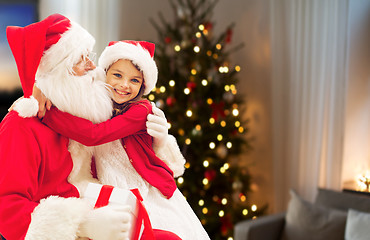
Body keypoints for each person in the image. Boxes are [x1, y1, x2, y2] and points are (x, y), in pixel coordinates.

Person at [0, 14, 176, 240]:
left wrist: (161, 143)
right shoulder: (22, 124)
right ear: (59, 69)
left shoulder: (81, 114)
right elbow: (6, 207)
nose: (93, 66)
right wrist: (82, 226)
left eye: (89, 56)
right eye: (82, 59)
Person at [41, 40, 211, 240]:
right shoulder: (98, 103)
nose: (124, 85)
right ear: (105, 73)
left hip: (146, 191)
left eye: (134, 80)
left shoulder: (141, 110)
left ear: (143, 85)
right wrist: (44, 91)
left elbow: (95, 135)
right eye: (117, 75)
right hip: (111, 190)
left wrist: (47, 114)